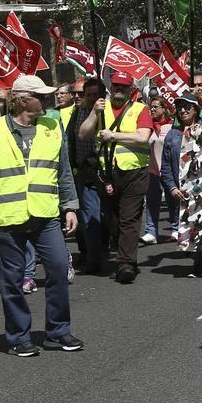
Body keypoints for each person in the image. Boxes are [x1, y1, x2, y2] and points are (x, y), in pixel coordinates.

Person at [0, 75, 82, 357]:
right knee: (12, 279)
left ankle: (57, 331)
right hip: (7, 217)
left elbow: (63, 170)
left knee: (57, 268)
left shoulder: (51, 127)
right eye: (39, 96)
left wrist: (70, 206)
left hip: (45, 214)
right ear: (20, 99)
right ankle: (18, 336)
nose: (46, 100)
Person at [80, 72, 153, 283]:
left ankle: (126, 264)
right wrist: (94, 112)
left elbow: (143, 137)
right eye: (116, 86)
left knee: (129, 218)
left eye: (124, 87)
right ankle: (124, 254)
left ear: (131, 89)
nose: (119, 90)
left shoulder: (140, 109)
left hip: (134, 173)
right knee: (113, 220)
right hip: (107, 174)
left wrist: (114, 135)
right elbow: (83, 133)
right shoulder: (100, 108)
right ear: (110, 87)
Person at [65, 79, 106, 273]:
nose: (90, 98)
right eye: (87, 94)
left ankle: (107, 248)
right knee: (88, 216)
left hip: (106, 170)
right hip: (84, 170)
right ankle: (93, 256)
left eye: (94, 95)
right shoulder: (78, 111)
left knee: (107, 217)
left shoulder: (107, 111)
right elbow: (73, 138)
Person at [160, 94, 201, 245]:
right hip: (179, 191)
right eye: (179, 108)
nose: (183, 110)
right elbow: (165, 165)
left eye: (187, 107)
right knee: (186, 237)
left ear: (196, 110)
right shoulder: (172, 134)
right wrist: (171, 187)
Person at [144, 95, 175, 245]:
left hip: (169, 171)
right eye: (152, 106)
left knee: (172, 201)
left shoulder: (172, 126)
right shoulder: (147, 127)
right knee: (151, 201)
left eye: (156, 106)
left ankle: (175, 228)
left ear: (164, 108)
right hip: (152, 170)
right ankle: (151, 232)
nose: (153, 109)